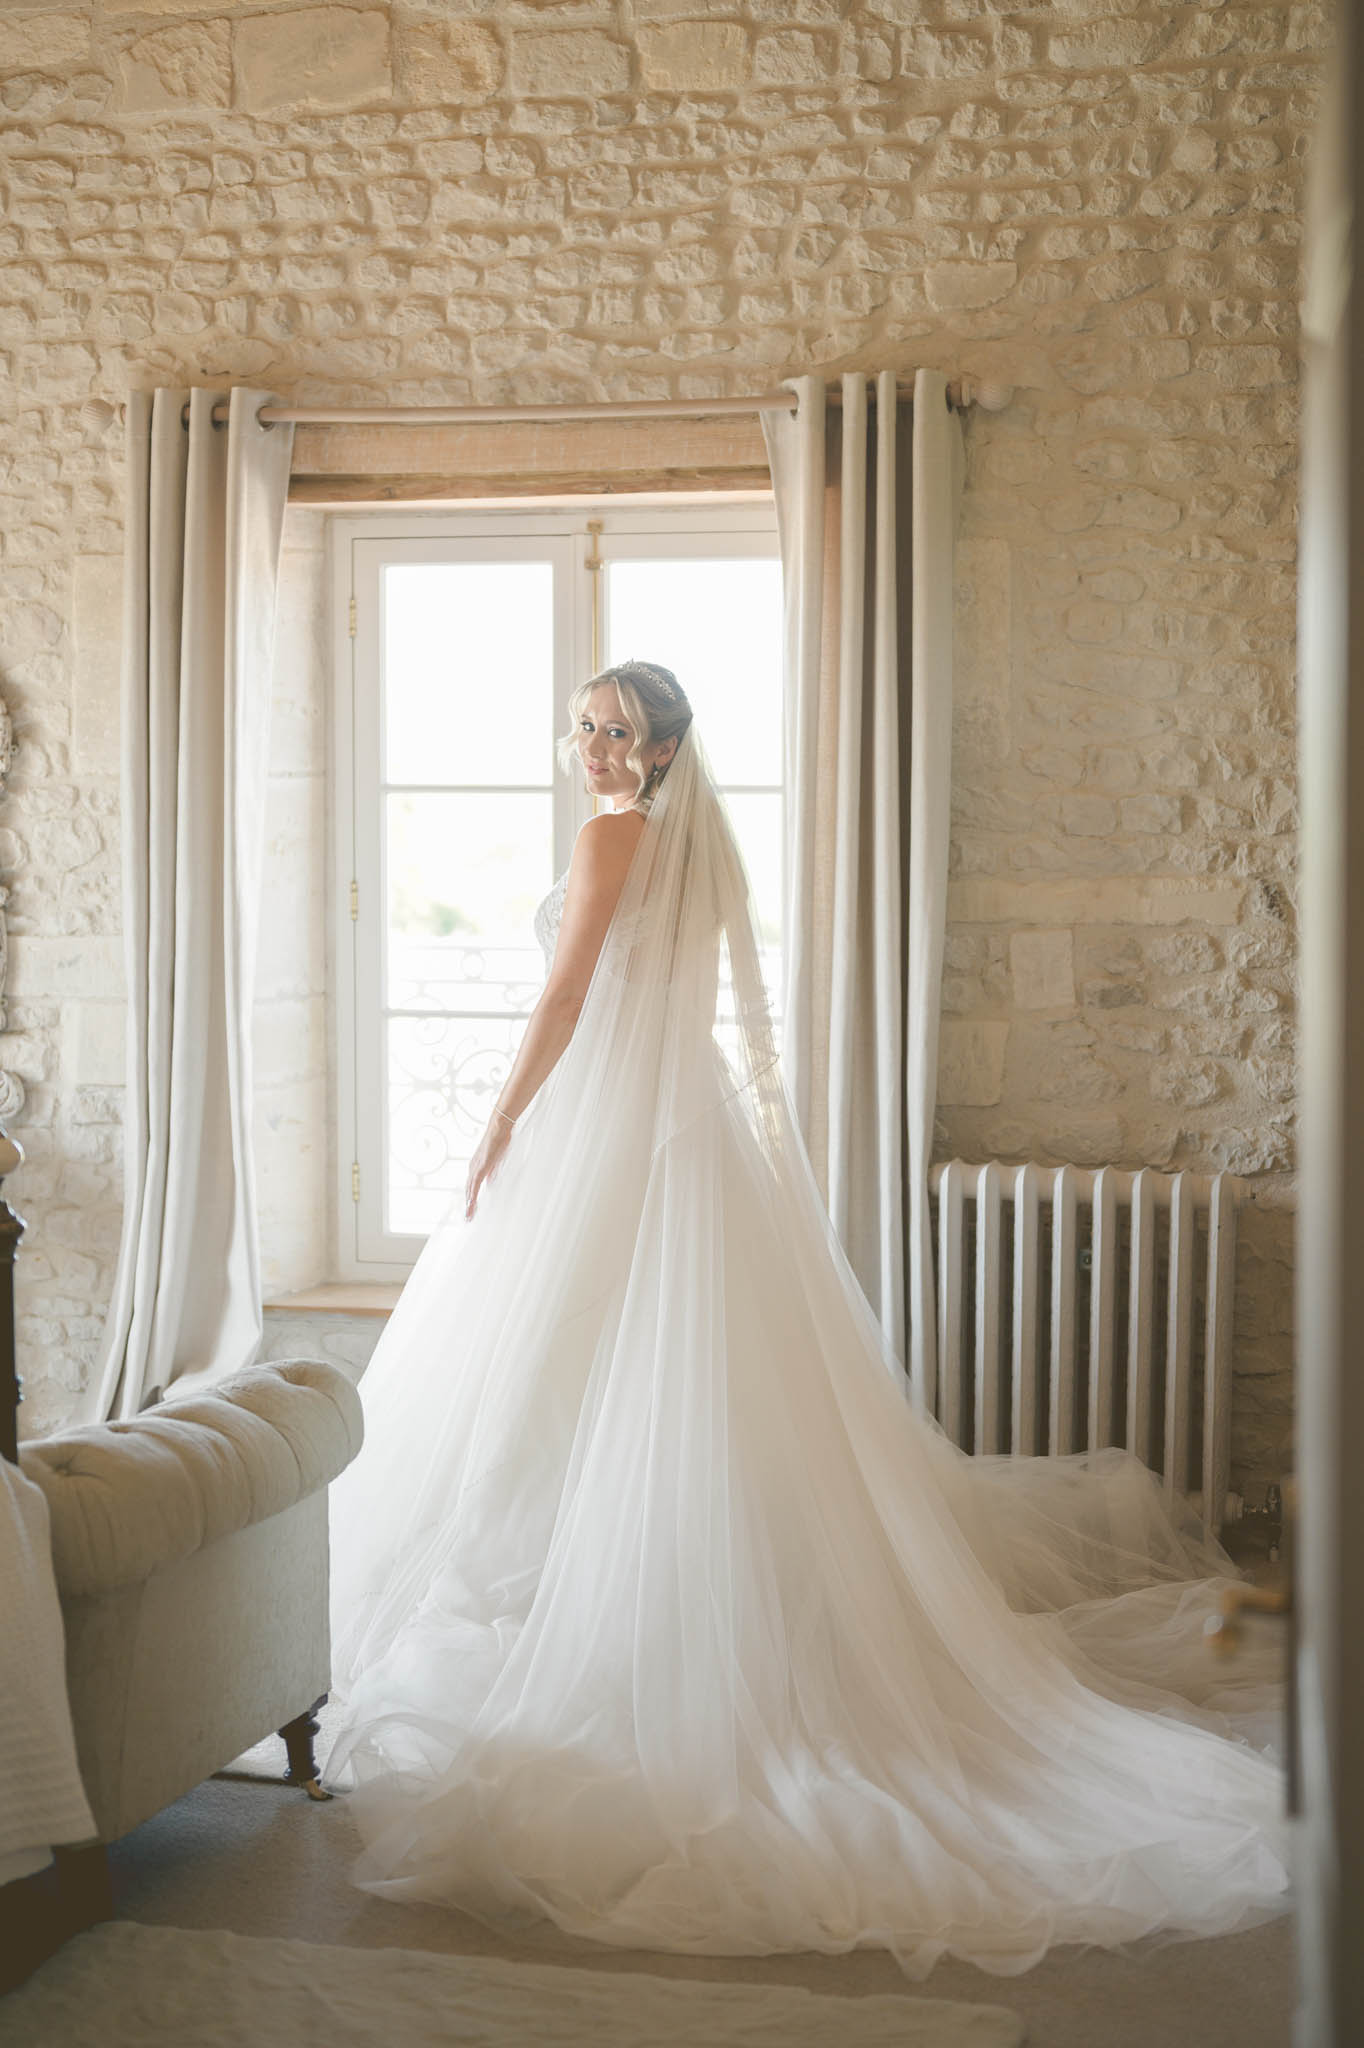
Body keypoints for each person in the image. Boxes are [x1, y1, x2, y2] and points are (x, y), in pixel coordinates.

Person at [326, 658, 1290, 1978]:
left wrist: (498, 1122)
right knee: (626, 1391)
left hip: (614, 1136)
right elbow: (708, 1008)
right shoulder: (691, 846)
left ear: (661, 750)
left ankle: (598, 1627)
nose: (594, 750)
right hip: (675, 1133)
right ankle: (591, 1592)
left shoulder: (617, 838)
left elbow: (563, 999)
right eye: (585, 728)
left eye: (618, 733)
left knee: (566, 1381)